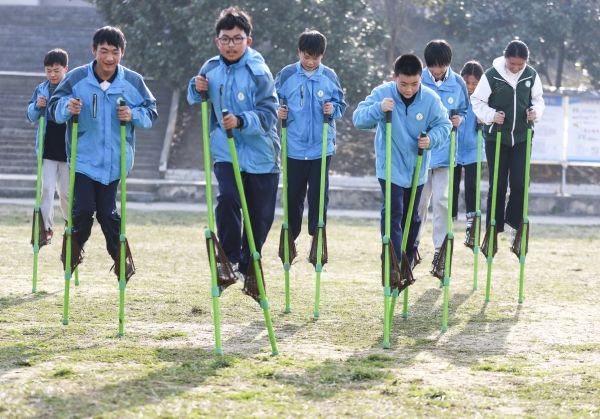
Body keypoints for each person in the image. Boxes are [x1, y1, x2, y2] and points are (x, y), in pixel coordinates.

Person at [48, 26, 157, 281]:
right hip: (84, 158)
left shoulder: (132, 81)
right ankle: (73, 252)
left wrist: (133, 114)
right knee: (84, 209)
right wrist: (68, 106)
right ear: (94, 50)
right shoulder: (76, 78)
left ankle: (122, 260)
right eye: (104, 51)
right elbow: (54, 108)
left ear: (122, 53)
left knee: (107, 212)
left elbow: (151, 112)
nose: (109, 58)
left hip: (116, 161)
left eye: (115, 52)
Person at [187, 7, 280, 279]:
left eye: (237, 38)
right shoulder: (211, 67)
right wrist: (196, 87)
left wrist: (240, 121)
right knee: (227, 198)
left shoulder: (259, 71)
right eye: (225, 39)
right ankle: (227, 260)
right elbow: (195, 97)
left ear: (248, 40)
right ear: (217, 41)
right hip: (225, 151)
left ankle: (250, 266)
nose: (231, 44)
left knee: (259, 219)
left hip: (262, 156)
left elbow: (269, 115)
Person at [353, 54, 451, 267]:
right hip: (390, 166)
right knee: (393, 213)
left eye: (414, 84)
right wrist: (379, 108)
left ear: (420, 79)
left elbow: (444, 125)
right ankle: (392, 261)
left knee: (412, 218)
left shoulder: (430, 99)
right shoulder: (382, 93)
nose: (408, 89)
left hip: (417, 167)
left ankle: (408, 255)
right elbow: (358, 119)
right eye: (404, 84)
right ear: (394, 77)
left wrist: (431, 139)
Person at [274, 30, 347, 245]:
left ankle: (318, 236)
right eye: (306, 57)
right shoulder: (286, 75)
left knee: (318, 195)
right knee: (293, 194)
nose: (311, 62)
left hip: (321, 147)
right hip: (294, 145)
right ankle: (291, 236)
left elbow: (341, 106)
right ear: (299, 53)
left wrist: (332, 109)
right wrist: (279, 110)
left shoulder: (330, 76)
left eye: (315, 58)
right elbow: (270, 101)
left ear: (322, 55)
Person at [470, 40, 544, 238]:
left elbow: (538, 99)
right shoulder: (491, 75)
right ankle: (493, 229)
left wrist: (535, 111)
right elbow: (477, 101)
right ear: (505, 58)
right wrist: (491, 115)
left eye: (521, 64)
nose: (516, 68)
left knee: (520, 183)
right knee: (498, 184)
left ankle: (514, 222)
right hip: (497, 138)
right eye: (512, 64)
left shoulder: (531, 75)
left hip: (522, 137)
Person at [414, 40, 469, 277]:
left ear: (448, 63)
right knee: (420, 203)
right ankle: (413, 246)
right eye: (433, 66)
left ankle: (440, 251)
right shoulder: (418, 80)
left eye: (441, 66)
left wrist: (460, 120)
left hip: (446, 154)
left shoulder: (457, 83)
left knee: (443, 203)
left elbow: (464, 109)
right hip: (421, 154)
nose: (437, 71)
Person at [27, 48, 70, 244]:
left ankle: (71, 225)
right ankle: (45, 228)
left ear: (65, 69)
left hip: (68, 148)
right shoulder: (41, 89)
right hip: (47, 148)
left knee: (66, 192)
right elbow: (30, 116)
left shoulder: (72, 88)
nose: (52, 74)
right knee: (46, 188)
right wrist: (37, 105)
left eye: (56, 70)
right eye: (48, 70)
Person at [454, 60, 485, 247]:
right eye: (467, 82)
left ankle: (472, 228)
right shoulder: (456, 96)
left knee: (472, 188)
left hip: (474, 149)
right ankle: (450, 219)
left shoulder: (483, 99)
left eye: (474, 83)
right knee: (453, 185)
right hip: (455, 148)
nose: (470, 87)